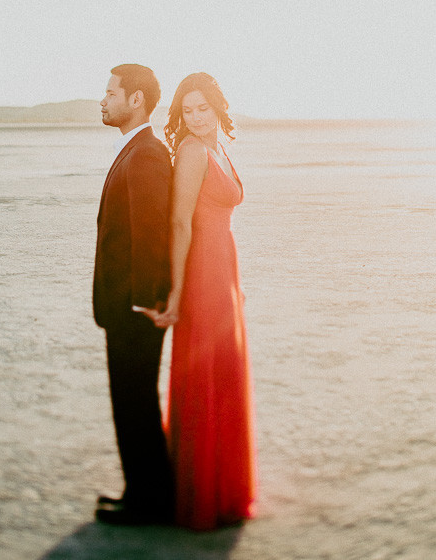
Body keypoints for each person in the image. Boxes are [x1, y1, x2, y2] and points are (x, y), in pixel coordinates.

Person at [143, 72, 257, 530]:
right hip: (202, 274)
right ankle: (199, 497)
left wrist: (235, 285)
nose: (194, 118)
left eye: (201, 109)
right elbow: (179, 224)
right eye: (186, 111)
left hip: (224, 270)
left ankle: (225, 490)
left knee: (225, 372)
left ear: (216, 108)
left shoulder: (218, 147)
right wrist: (175, 291)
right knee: (206, 377)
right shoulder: (191, 152)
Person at [92, 64, 174, 525]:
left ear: (136, 99)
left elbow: (150, 231)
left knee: (136, 400)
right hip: (126, 305)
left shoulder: (145, 154)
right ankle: (142, 492)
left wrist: (145, 301)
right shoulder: (137, 150)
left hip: (134, 307)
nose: (102, 101)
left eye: (110, 92)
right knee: (132, 400)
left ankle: (149, 501)